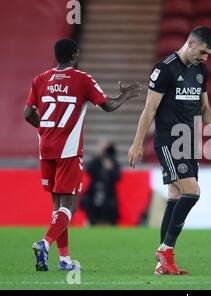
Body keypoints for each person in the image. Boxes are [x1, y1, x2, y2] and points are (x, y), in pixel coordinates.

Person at [24, 38, 141, 271]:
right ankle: (44, 243)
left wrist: (46, 130)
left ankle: (65, 261)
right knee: (71, 206)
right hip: (68, 150)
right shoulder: (82, 79)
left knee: (59, 208)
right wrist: (125, 96)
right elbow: (107, 105)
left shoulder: (40, 80)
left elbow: (28, 114)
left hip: (45, 148)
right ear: (75, 56)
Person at [128, 26, 211, 275]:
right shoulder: (165, 69)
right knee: (192, 192)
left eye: (209, 54)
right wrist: (138, 143)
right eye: (203, 52)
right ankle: (166, 249)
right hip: (170, 142)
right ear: (191, 43)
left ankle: (163, 264)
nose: (205, 58)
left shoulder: (202, 70)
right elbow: (149, 109)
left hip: (190, 143)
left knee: (174, 196)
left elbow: (204, 108)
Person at [80, 141, 121, 225]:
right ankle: (91, 221)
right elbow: (88, 170)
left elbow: (117, 177)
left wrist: (110, 169)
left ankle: (109, 223)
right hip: (94, 191)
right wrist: (97, 156)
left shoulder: (113, 162)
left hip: (109, 193)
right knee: (86, 201)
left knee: (111, 206)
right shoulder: (96, 161)